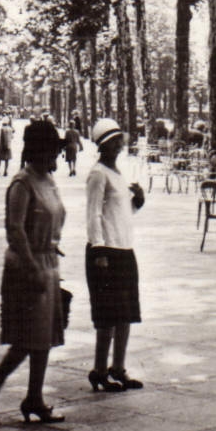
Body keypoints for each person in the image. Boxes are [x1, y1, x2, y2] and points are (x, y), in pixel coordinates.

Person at [0, 119, 69, 425]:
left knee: (46, 337)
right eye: (53, 150)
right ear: (38, 151)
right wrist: (31, 267)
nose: (57, 157)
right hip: (26, 267)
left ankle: (34, 398)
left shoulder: (48, 180)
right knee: (28, 338)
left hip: (49, 263)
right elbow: (14, 229)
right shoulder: (21, 184)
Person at [84, 117, 145, 393]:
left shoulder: (118, 174)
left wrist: (137, 203)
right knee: (107, 316)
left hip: (124, 249)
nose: (117, 147)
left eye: (119, 142)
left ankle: (118, 368)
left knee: (126, 313)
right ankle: (99, 370)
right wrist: (98, 249)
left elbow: (120, 213)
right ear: (102, 146)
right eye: (111, 143)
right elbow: (94, 213)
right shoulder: (98, 173)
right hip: (105, 251)